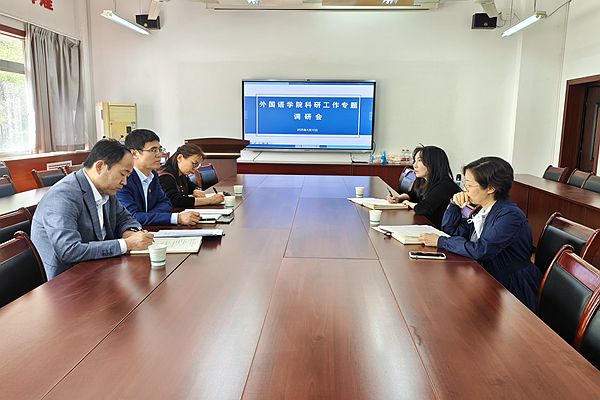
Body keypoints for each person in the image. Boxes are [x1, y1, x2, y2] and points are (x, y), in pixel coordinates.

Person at [419, 156, 542, 311]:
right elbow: (451, 232)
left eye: (469, 185)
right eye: (465, 184)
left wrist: (440, 241)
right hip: (488, 277)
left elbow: (481, 250)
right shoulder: (482, 209)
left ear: (490, 188)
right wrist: (454, 204)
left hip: (511, 289)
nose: (465, 189)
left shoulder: (509, 215)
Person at [31, 139, 155, 280]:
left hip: (99, 268)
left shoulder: (106, 189)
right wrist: (126, 244)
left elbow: (125, 218)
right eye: (123, 174)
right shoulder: (63, 196)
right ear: (100, 167)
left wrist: (129, 232)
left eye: (128, 176)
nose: (124, 182)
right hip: (66, 280)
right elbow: (68, 251)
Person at [117, 129, 200, 226]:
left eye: (160, 149)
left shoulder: (153, 175)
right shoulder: (124, 179)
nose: (159, 154)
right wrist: (177, 218)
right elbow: (132, 217)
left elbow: (166, 203)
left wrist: (147, 216)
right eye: (153, 150)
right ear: (134, 154)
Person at [387, 145, 461, 228]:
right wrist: (399, 198)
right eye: (414, 161)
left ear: (433, 163)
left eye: (420, 161)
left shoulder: (445, 186)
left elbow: (422, 209)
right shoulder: (425, 181)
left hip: (438, 230)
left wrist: (408, 203)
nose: (415, 165)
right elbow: (414, 194)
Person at [158, 143, 224, 208]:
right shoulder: (165, 176)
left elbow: (191, 187)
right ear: (179, 158)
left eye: (197, 166)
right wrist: (210, 200)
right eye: (194, 164)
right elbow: (175, 201)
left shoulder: (181, 174)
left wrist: (196, 190)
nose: (194, 169)